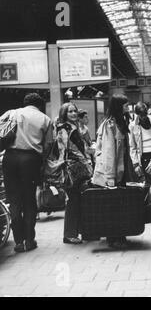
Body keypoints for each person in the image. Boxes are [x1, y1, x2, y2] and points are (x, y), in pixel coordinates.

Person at [1, 93, 53, 252]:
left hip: (9, 158)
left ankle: (18, 242)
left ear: (25, 103)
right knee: (29, 199)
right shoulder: (45, 119)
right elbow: (49, 144)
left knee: (14, 199)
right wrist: (42, 162)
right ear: (40, 104)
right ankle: (30, 240)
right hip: (31, 160)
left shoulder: (11, 113)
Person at [92, 94, 137, 249]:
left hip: (121, 170)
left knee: (119, 204)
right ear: (118, 106)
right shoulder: (109, 125)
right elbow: (109, 152)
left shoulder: (120, 122)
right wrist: (110, 177)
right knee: (113, 205)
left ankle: (119, 235)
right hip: (113, 172)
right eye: (125, 104)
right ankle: (113, 238)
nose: (127, 106)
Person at [55, 103, 93, 245]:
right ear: (64, 113)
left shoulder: (72, 127)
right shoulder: (64, 128)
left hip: (77, 167)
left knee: (78, 200)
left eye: (74, 111)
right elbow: (66, 150)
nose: (73, 113)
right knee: (73, 201)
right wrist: (86, 163)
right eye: (69, 111)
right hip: (73, 168)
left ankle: (79, 232)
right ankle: (70, 234)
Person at [129, 102, 151, 184]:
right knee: (149, 180)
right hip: (144, 155)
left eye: (145, 114)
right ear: (137, 114)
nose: (143, 117)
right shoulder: (133, 126)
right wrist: (135, 163)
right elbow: (132, 146)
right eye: (141, 115)